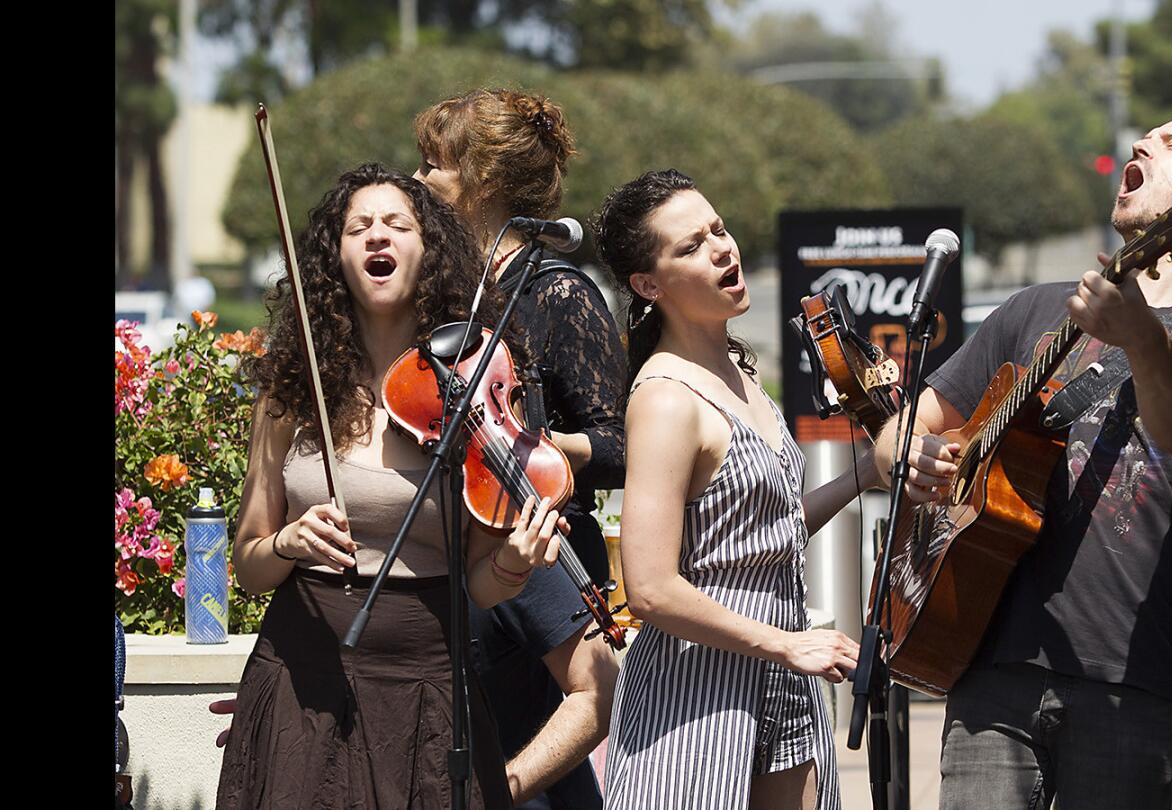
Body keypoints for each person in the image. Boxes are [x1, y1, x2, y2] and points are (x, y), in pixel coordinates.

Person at [872, 105, 1172, 809]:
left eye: (1171, 143)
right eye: (1144, 138)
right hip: (988, 663)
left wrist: (1142, 337)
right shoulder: (1033, 311)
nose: (1141, 145)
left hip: (1129, 680)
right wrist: (907, 459)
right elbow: (904, 430)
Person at [216, 163, 570, 810]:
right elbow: (249, 563)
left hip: (428, 683)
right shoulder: (293, 388)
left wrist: (514, 564)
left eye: (396, 224)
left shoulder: (471, 385)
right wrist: (289, 543)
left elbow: (479, 583)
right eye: (359, 227)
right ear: (337, 256)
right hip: (302, 675)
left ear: (428, 249)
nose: (377, 236)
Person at [591, 169, 876, 810]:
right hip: (696, 695)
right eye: (691, 246)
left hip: (783, 680)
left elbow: (764, 535)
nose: (723, 248)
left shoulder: (740, 372)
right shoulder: (665, 398)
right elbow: (652, 588)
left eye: (718, 230)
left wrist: (867, 473)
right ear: (647, 284)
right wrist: (787, 644)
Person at [411, 88, 625, 809]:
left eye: (433, 165)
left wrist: (533, 443)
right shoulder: (449, 297)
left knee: (538, 763)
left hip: (547, 554)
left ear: (486, 181)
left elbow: (623, 441)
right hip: (475, 543)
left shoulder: (559, 292)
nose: (419, 181)